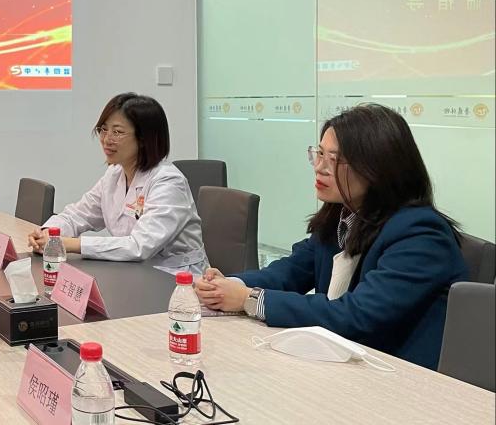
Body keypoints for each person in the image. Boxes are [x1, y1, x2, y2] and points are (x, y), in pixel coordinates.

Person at [195, 104, 467, 370]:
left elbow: (357, 314)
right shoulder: (344, 214)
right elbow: (291, 271)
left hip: (399, 376)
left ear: (377, 168)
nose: (319, 167)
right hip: (343, 364)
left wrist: (250, 299)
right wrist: (229, 286)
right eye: (319, 154)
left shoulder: (421, 234)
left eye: (334, 160)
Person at [27, 93, 208, 273]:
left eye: (118, 132)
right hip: (132, 270)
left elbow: (139, 246)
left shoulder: (168, 182)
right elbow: (78, 215)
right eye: (104, 130)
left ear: (144, 139)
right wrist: (49, 232)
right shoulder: (114, 174)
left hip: (176, 275)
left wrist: (71, 244)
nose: (107, 139)